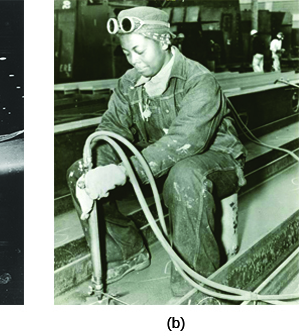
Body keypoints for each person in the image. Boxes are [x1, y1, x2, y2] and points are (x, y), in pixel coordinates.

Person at [67, 6, 246, 297]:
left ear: (164, 41)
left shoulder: (199, 81)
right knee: (81, 171)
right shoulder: (129, 83)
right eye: (127, 53)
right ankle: (126, 251)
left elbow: (184, 143)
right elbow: (111, 129)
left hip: (215, 163)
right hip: (156, 164)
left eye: (139, 50)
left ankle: (198, 285)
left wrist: (123, 172)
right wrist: (98, 167)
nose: (134, 61)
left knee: (184, 174)